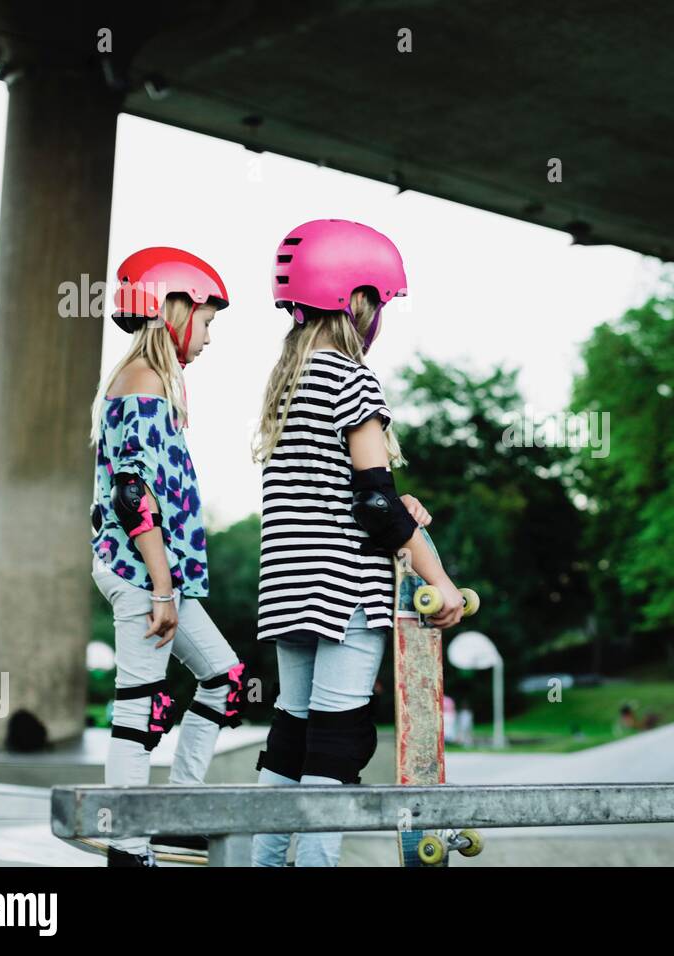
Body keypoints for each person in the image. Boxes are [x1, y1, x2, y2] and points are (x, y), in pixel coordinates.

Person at [250, 219, 466, 867]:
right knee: (339, 743)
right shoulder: (352, 378)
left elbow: (336, 494)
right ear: (357, 302)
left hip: (289, 588)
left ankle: (262, 862)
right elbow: (371, 500)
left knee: (292, 734)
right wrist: (438, 577)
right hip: (346, 592)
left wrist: (396, 505)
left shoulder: (287, 386)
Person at [89, 247, 246, 867]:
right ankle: (127, 848)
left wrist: (168, 584)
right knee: (138, 707)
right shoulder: (144, 386)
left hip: (162, 578)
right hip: (141, 575)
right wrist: (159, 586)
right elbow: (134, 495)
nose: (208, 338)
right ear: (173, 309)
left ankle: (179, 813)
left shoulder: (154, 385)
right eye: (206, 321)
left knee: (224, 678)